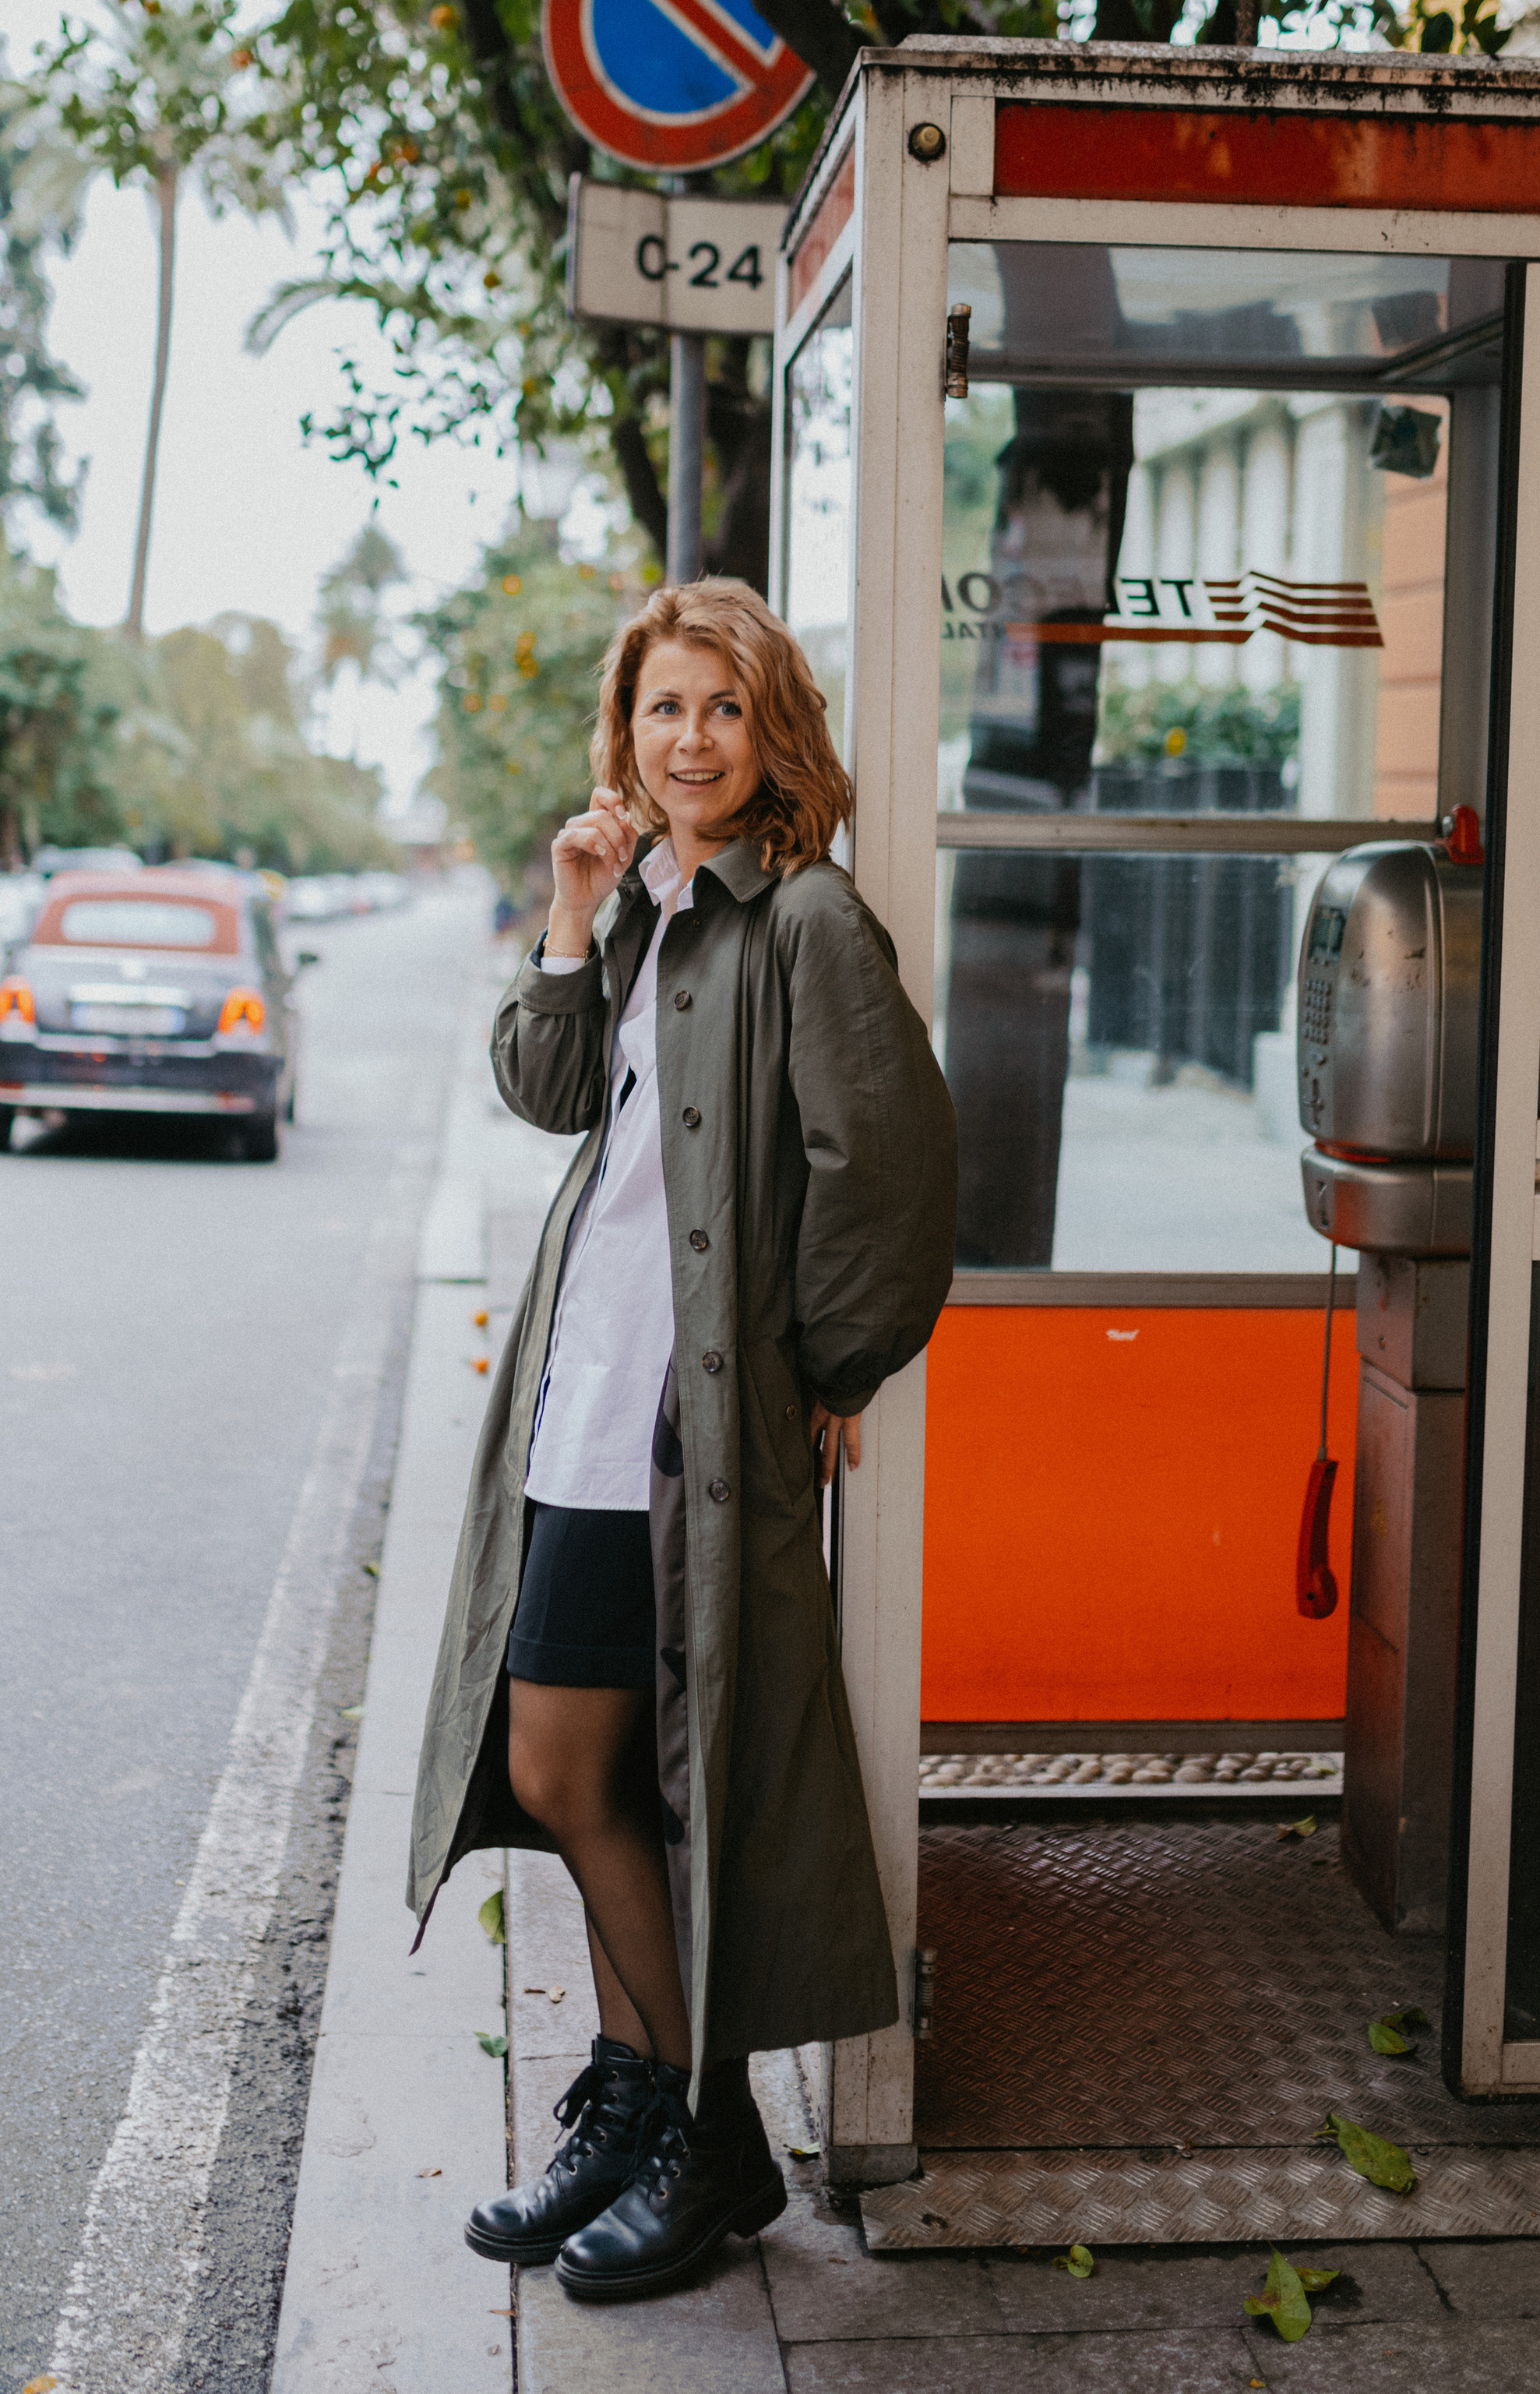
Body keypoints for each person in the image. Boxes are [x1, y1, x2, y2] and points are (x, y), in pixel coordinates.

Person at [408, 576, 957, 2304]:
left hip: (684, 1426)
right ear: (626, 734)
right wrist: (571, 917)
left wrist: (829, 1373)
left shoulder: (804, 921)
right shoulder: (648, 902)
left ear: (768, 728)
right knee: (578, 1770)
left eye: (721, 708)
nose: (690, 739)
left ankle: (707, 2139)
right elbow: (548, 1089)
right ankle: (644, 2100)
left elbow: (895, 1174)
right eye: (661, 709)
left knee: (610, 1775)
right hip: (582, 1397)